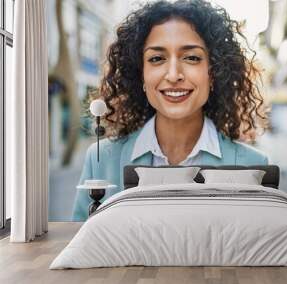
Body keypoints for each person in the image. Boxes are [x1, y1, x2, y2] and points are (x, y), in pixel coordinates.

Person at [72, 0, 269, 221]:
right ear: (142, 75)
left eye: (192, 58)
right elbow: (80, 239)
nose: (174, 74)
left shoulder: (254, 163)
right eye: (157, 59)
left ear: (212, 73)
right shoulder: (101, 159)